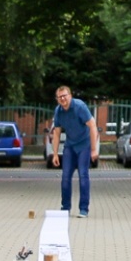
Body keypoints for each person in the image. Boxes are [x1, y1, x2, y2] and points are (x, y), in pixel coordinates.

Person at [47, 86, 98, 218]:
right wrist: (55, 153)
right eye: (60, 97)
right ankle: (65, 208)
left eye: (65, 95)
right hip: (70, 146)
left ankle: (83, 209)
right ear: (57, 99)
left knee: (83, 175)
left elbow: (93, 126)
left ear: (70, 95)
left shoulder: (80, 107)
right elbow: (57, 133)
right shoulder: (58, 111)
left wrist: (93, 149)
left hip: (84, 145)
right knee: (65, 177)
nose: (63, 99)